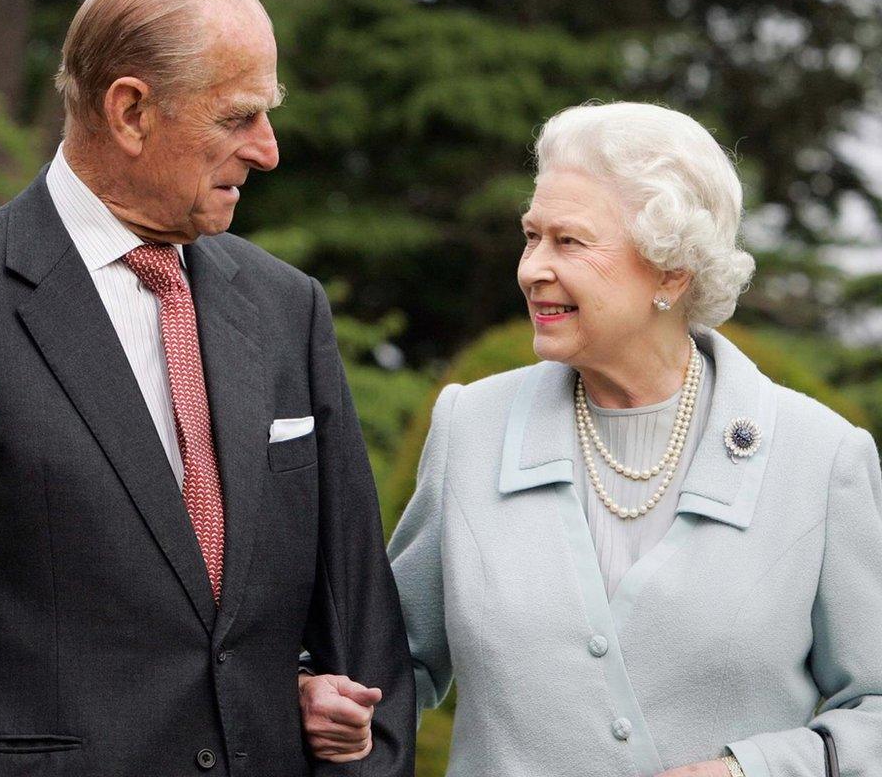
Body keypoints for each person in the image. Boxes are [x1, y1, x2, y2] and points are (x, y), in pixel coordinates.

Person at [0, 0, 415, 777]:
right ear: (132, 111)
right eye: (238, 117)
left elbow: (364, 636)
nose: (269, 150)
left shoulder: (290, 310)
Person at [299, 102, 882, 777]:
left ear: (672, 271)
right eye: (531, 236)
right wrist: (323, 690)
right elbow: (387, 660)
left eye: (569, 242)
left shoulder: (821, 458)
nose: (531, 269)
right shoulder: (472, 427)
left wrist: (749, 770)